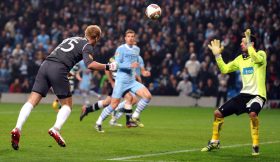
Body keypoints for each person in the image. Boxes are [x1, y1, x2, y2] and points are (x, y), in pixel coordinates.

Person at [10, 25, 117, 150]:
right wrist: (109, 66)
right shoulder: (87, 45)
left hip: (45, 65)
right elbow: (90, 65)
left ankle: (17, 128)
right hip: (59, 68)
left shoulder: (70, 39)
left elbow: (60, 55)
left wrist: (65, 70)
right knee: (67, 105)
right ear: (97, 37)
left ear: (85, 33)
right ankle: (55, 129)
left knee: (32, 100)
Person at [201, 29, 267, 156]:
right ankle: (215, 142)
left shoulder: (261, 54)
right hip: (244, 95)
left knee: (253, 113)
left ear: (251, 44)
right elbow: (225, 69)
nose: (241, 44)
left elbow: (256, 58)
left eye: (244, 42)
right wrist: (217, 56)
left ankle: (255, 145)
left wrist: (249, 45)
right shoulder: (240, 59)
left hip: (258, 95)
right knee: (218, 113)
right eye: (242, 42)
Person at [94, 29, 152, 132]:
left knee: (147, 96)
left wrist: (143, 72)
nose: (130, 38)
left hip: (131, 81)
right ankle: (98, 122)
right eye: (128, 36)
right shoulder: (120, 49)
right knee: (114, 104)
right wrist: (129, 66)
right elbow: (116, 64)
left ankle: (135, 116)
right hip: (121, 81)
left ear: (134, 38)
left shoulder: (137, 49)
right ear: (125, 38)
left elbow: (137, 64)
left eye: (132, 36)